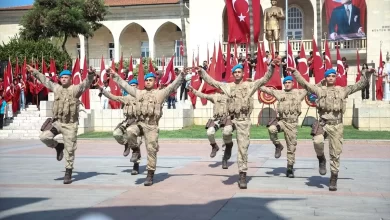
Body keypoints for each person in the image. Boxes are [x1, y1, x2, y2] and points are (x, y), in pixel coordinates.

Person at [290, 66, 374, 191]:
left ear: (335, 78)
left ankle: (333, 177)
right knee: (317, 141)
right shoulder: (320, 90)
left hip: (337, 125)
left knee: (335, 153)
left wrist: (365, 74)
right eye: (328, 76)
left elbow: (359, 85)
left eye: (333, 76)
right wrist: (295, 72)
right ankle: (321, 159)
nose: (330, 78)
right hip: (323, 123)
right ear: (325, 78)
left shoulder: (342, 91)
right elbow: (305, 84)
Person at [196, 60, 278, 189]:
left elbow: (264, 79)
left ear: (243, 73)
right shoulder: (229, 86)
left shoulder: (249, 85)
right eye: (235, 72)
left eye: (239, 72)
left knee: (243, 148)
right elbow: (212, 82)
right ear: (233, 74)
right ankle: (228, 146)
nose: (237, 74)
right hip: (232, 118)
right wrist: (202, 72)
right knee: (226, 131)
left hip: (244, 121)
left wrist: (272, 66)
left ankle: (242, 174)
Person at [110, 68, 187, 186]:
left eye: (150, 80)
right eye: (146, 80)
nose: (148, 82)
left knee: (151, 150)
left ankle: (150, 174)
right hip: (140, 123)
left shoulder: (160, 93)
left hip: (152, 126)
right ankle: (135, 150)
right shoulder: (139, 93)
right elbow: (125, 85)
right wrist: (115, 75)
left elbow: (172, 87)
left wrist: (181, 76)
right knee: (130, 130)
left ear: (154, 82)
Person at [27, 65, 95, 184]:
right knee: (44, 137)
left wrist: (90, 75)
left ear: (70, 79)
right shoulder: (57, 88)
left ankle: (68, 171)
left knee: (70, 150)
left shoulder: (75, 89)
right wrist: (35, 72)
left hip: (70, 125)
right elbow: (45, 81)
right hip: (58, 123)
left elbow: (86, 84)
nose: (63, 79)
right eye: (62, 77)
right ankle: (58, 146)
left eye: (66, 77)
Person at [99, 79, 143, 175]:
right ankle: (126, 143)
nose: (132, 87)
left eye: (134, 85)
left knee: (137, 144)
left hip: (138, 124)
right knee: (116, 133)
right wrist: (102, 90)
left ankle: (136, 166)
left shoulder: (141, 97)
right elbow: (112, 97)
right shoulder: (126, 98)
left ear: (138, 86)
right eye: (131, 85)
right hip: (127, 122)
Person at [188, 85, 232, 164]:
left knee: (225, 138)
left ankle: (224, 159)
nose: (222, 89)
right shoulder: (215, 96)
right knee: (209, 132)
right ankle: (214, 146)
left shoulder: (231, 97)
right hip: (216, 119)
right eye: (221, 87)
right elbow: (204, 95)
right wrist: (193, 90)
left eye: (224, 87)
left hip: (226, 119)